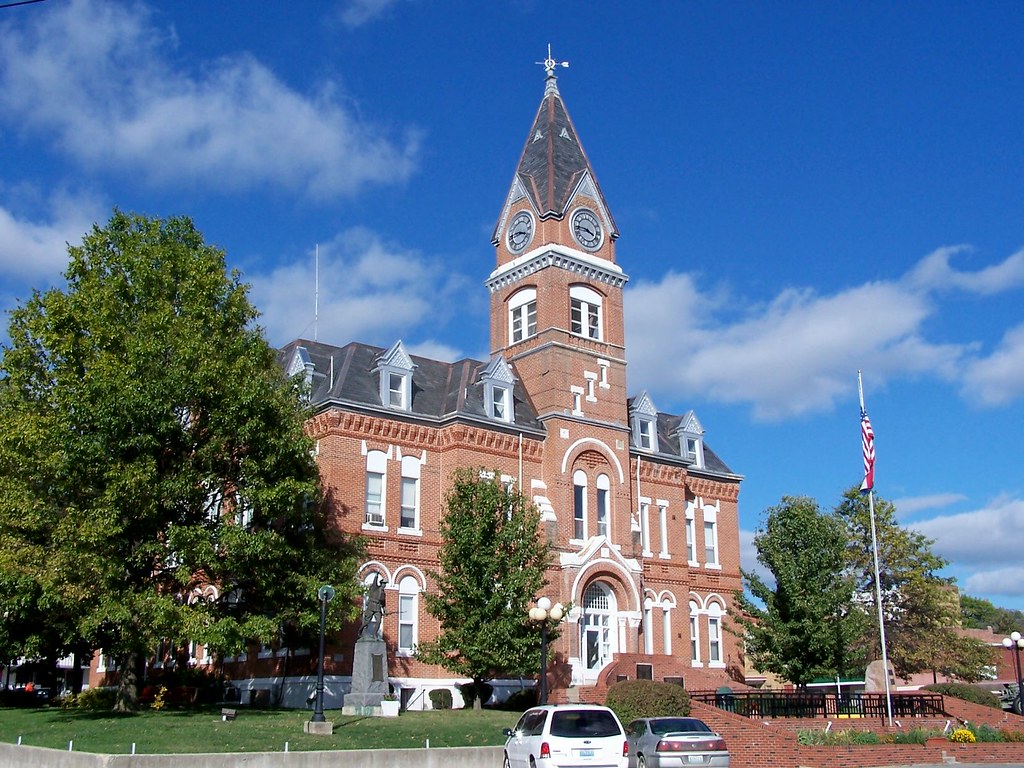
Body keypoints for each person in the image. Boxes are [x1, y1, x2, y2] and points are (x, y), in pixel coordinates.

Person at [360, 574, 387, 638]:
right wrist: (376, 576)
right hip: (371, 606)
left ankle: (374, 634)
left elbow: (383, 603)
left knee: (378, 621)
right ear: (381, 584)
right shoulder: (375, 588)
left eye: (385, 584)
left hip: (378, 607)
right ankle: (362, 631)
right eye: (383, 583)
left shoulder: (383, 593)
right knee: (367, 621)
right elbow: (374, 582)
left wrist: (384, 610)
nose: (384, 585)